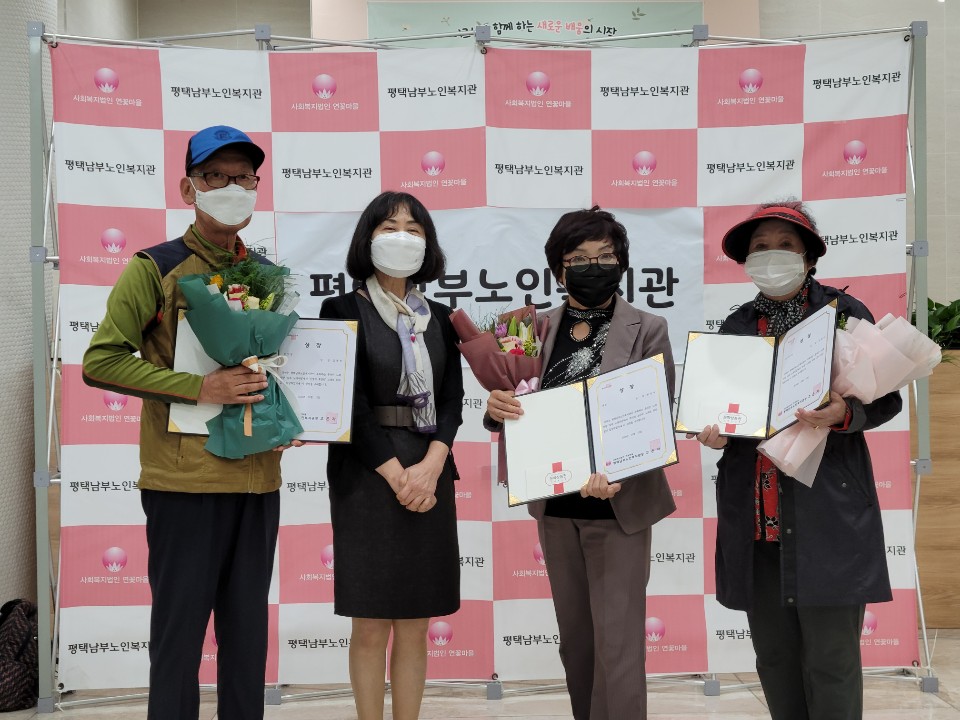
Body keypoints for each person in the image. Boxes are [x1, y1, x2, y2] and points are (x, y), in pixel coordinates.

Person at [83, 126, 287, 720]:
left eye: (243, 177)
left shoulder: (268, 275)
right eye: (215, 176)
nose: (231, 187)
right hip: (185, 483)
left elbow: (273, 367)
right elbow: (101, 360)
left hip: (258, 480)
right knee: (179, 638)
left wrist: (285, 418)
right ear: (188, 187)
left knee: (247, 639)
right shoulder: (155, 267)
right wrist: (200, 387)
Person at [690, 201, 901, 720]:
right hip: (757, 522)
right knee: (775, 658)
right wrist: (715, 434)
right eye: (760, 247)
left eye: (785, 245)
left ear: (809, 257)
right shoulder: (736, 327)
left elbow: (888, 398)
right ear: (746, 261)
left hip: (829, 515)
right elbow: (722, 412)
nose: (772, 255)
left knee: (832, 661)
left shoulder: (844, 315)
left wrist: (845, 413)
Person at [484, 206, 676, 720]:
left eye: (605, 256)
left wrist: (618, 472)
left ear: (622, 263)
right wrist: (495, 408)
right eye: (579, 258)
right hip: (556, 506)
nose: (594, 267)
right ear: (558, 269)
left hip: (618, 506)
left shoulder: (648, 328)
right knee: (576, 642)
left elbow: (654, 416)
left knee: (619, 646)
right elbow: (511, 399)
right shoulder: (527, 329)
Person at [319, 191, 463, 720]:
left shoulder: (442, 317)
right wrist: (399, 475)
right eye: (389, 227)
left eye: (414, 229)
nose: (402, 237)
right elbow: (349, 404)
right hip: (367, 474)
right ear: (368, 238)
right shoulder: (341, 310)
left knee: (416, 622)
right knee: (371, 623)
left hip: (430, 471)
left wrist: (432, 465)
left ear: (428, 245)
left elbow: (453, 400)